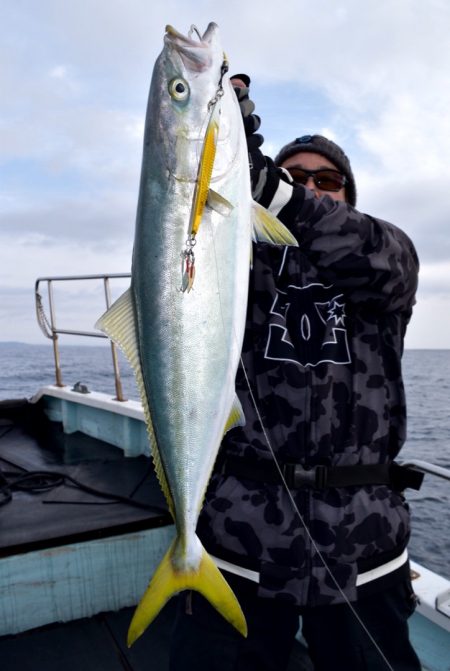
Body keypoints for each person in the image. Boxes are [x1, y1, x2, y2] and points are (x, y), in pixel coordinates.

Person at [170, 75, 422, 671]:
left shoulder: (387, 255)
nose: (308, 187)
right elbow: (187, 236)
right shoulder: (239, 268)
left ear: (348, 197)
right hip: (240, 538)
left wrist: (279, 193)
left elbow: (373, 260)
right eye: (293, 176)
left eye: (325, 181)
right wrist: (213, 147)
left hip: (364, 547)